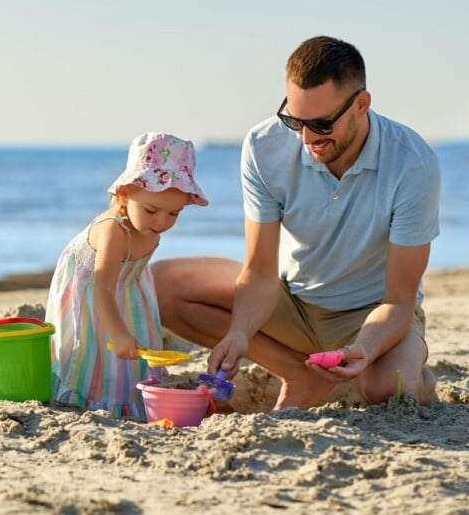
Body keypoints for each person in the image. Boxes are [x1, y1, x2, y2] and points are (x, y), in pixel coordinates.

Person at [151, 36, 440, 410]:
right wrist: (239, 333)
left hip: (370, 314)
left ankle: (419, 379)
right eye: (294, 120)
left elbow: (399, 301)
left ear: (361, 105)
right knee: (159, 287)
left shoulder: (412, 164)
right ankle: (299, 375)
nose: (306, 138)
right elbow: (258, 271)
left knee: (390, 391)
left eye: (320, 124)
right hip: (289, 301)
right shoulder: (264, 146)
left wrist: (365, 349)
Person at [45, 132, 208, 419]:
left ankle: (132, 400)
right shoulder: (114, 231)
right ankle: (89, 401)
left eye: (174, 214)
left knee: (133, 353)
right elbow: (102, 288)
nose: (162, 222)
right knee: (95, 353)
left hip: (127, 288)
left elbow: (129, 277)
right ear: (123, 195)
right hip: (94, 292)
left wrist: (127, 330)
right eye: (152, 210)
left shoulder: (150, 229)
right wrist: (119, 333)